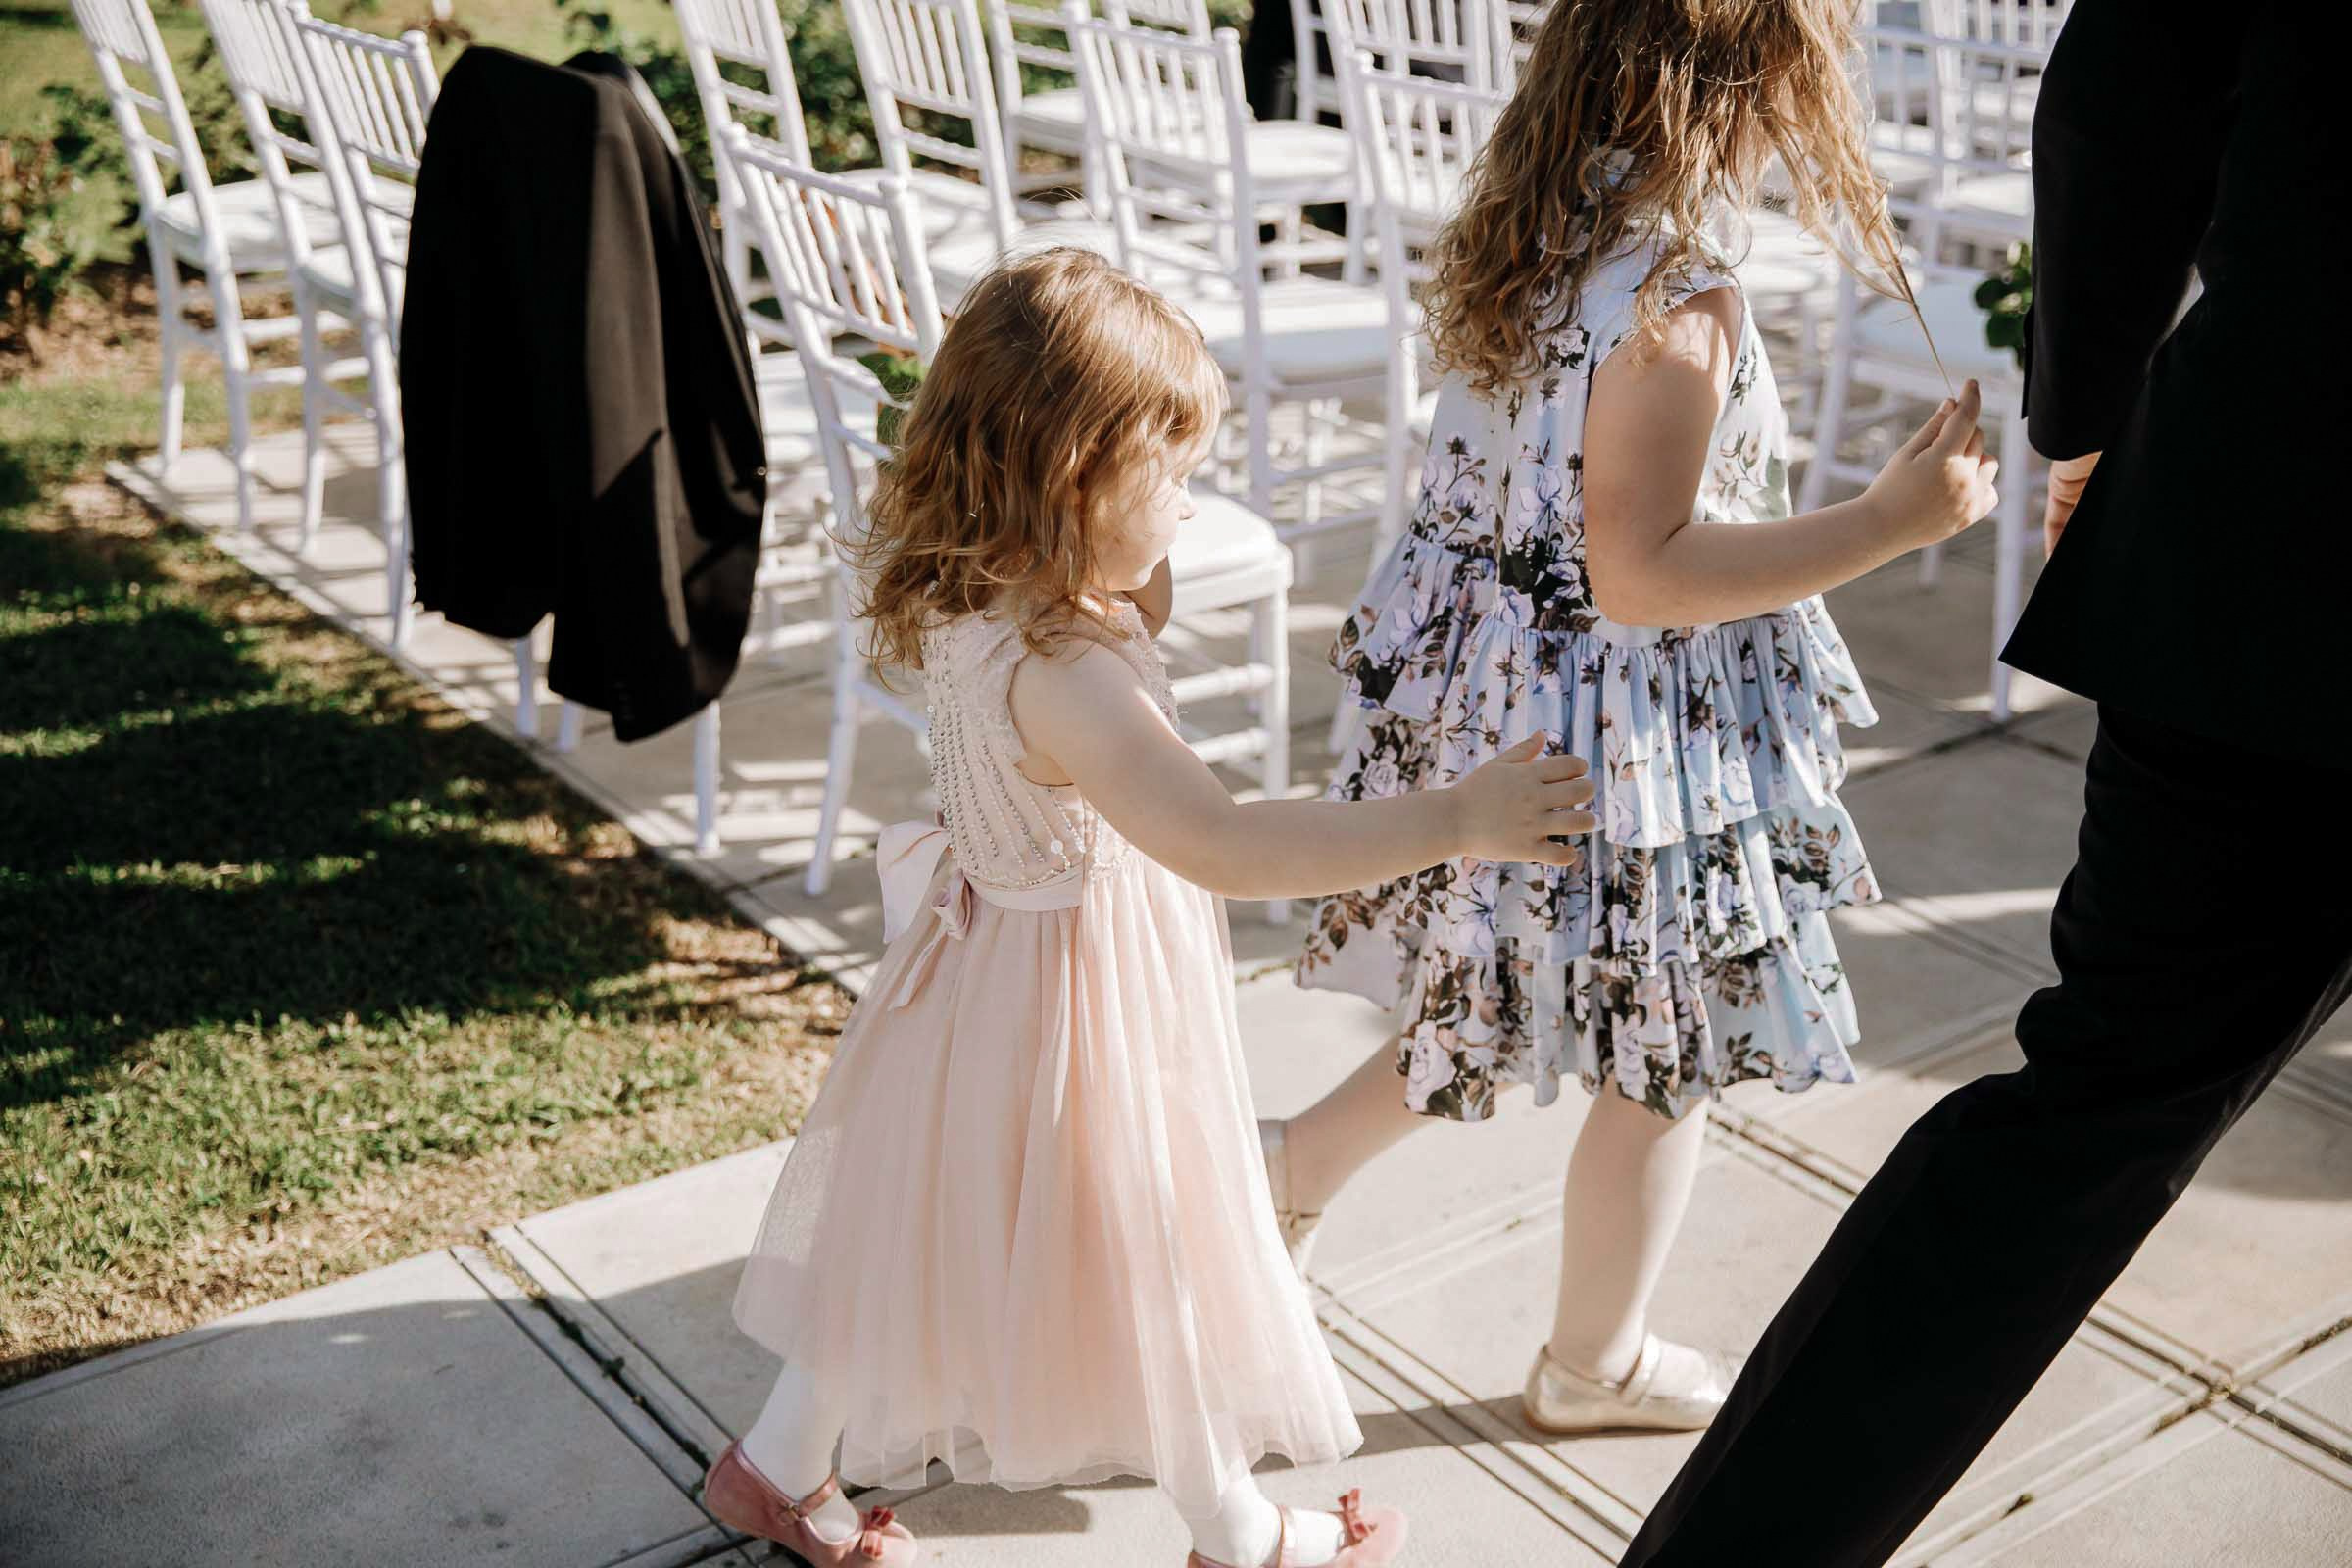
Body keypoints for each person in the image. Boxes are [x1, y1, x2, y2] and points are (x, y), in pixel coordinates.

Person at [706, 249, 1600, 1568]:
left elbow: (1140, 612)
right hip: (1074, 1009)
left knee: (900, 1242)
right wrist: (1455, 821)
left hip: (980, 984)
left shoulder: (986, 589)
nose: (1190, 500)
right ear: (1072, 481)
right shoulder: (1066, 671)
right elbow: (1224, 843)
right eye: (1170, 473)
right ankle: (1239, 1532)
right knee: (1156, 1256)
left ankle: (777, 1467)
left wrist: (1137, 545)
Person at [1622, 4, 2352, 1561]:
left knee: (2079, 1121)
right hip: (2277, 551)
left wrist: (2085, 414)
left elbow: (2124, 93)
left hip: (2280, 521)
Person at [1266, 0, 1998, 1437]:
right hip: (1621, 736)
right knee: (1675, 1050)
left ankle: (1282, 1175)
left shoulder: (1538, 216)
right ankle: (1590, 1363)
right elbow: (1641, 566)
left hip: (1503, 697)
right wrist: (1886, 522)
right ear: (1757, 81)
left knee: (1495, 997)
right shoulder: (1677, 290)